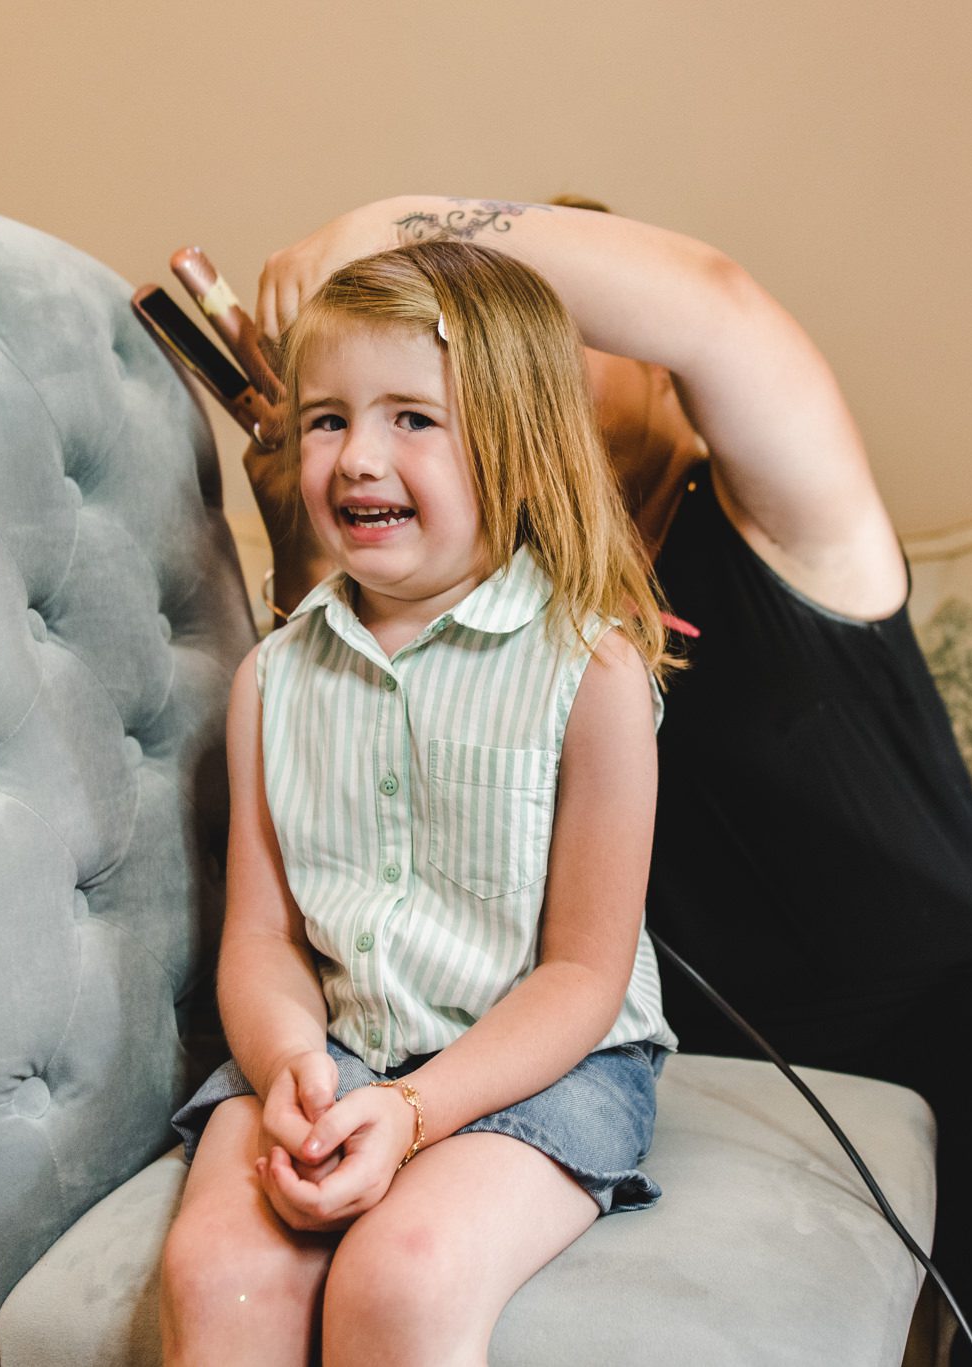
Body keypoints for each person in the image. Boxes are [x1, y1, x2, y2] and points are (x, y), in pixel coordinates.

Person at [238, 195, 972, 1366]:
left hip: (971, 998)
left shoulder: (780, 522)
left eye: (580, 325)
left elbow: (718, 308)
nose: (556, 367)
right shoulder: (453, 603)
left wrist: (396, 222)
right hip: (700, 1051)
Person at [158, 238, 680, 1367]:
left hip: (543, 1069)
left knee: (401, 1275)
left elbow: (583, 975)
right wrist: (290, 1056)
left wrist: (413, 1111)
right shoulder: (272, 682)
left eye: (412, 418)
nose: (356, 457)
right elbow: (262, 936)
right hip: (342, 1044)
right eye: (327, 418)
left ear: (523, 449)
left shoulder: (588, 674)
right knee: (217, 1271)